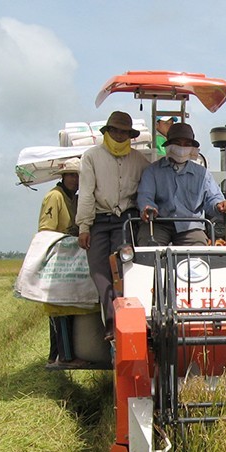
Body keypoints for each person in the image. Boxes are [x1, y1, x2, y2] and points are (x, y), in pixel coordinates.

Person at [77, 110, 149, 341]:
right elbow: (86, 194)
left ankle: (125, 321)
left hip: (125, 220)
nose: (119, 135)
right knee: (98, 270)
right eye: (115, 130)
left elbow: (148, 189)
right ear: (107, 132)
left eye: (124, 132)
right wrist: (84, 227)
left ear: (130, 135)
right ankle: (110, 322)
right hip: (99, 219)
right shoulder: (91, 157)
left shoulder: (140, 161)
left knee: (122, 269)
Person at [137, 122, 226, 246]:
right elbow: (145, 196)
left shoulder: (203, 174)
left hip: (190, 226)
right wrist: (148, 208)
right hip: (158, 223)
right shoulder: (152, 171)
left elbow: (213, 199)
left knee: (198, 255)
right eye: (177, 143)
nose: (182, 148)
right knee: (149, 249)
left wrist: (220, 204)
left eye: (187, 144)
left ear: (192, 147)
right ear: (169, 144)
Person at [38, 157, 90, 366]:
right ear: (63, 176)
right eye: (70, 175)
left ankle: (54, 356)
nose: (74, 180)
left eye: (78, 176)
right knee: (61, 309)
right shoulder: (55, 197)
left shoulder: (73, 199)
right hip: (59, 257)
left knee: (63, 307)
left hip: (71, 257)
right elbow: (46, 230)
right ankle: (66, 357)